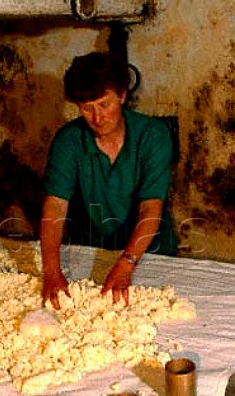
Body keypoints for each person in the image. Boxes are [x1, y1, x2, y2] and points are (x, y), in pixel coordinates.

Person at [41, 51, 177, 309]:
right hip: (96, 247)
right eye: (87, 108)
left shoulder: (152, 136)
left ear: (123, 95)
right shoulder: (68, 141)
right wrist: (51, 270)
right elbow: (55, 205)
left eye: (105, 104)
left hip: (150, 252)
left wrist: (127, 263)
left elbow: (151, 206)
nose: (97, 118)